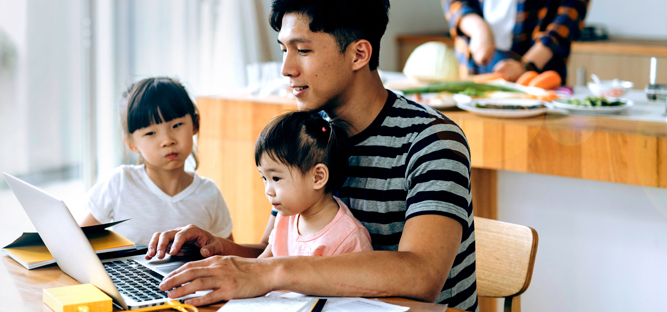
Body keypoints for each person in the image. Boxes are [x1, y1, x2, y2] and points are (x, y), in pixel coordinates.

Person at [145, 1, 477, 310]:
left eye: (302, 50)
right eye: (284, 50)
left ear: (359, 54)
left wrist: (271, 273)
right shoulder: (307, 136)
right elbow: (273, 254)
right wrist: (217, 250)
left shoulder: (432, 141)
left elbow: (422, 275)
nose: (286, 69)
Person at [78, 77, 233, 246]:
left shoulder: (209, 194)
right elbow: (79, 242)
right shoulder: (119, 183)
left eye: (177, 125)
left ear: (195, 125)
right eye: (151, 133)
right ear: (132, 144)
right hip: (132, 273)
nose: (167, 140)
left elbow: (230, 254)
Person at [255, 111, 372, 258]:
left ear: (317, 177)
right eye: (264, 178)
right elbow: (262, 265)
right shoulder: (285, 217)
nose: (268, 191)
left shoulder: (348, 238)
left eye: (276, 178)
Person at [442, 0, 590, 82]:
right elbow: (455, 3)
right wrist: (478, 29)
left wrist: (526, 66)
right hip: (472, 64)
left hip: (537, 68)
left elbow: (566, 21)